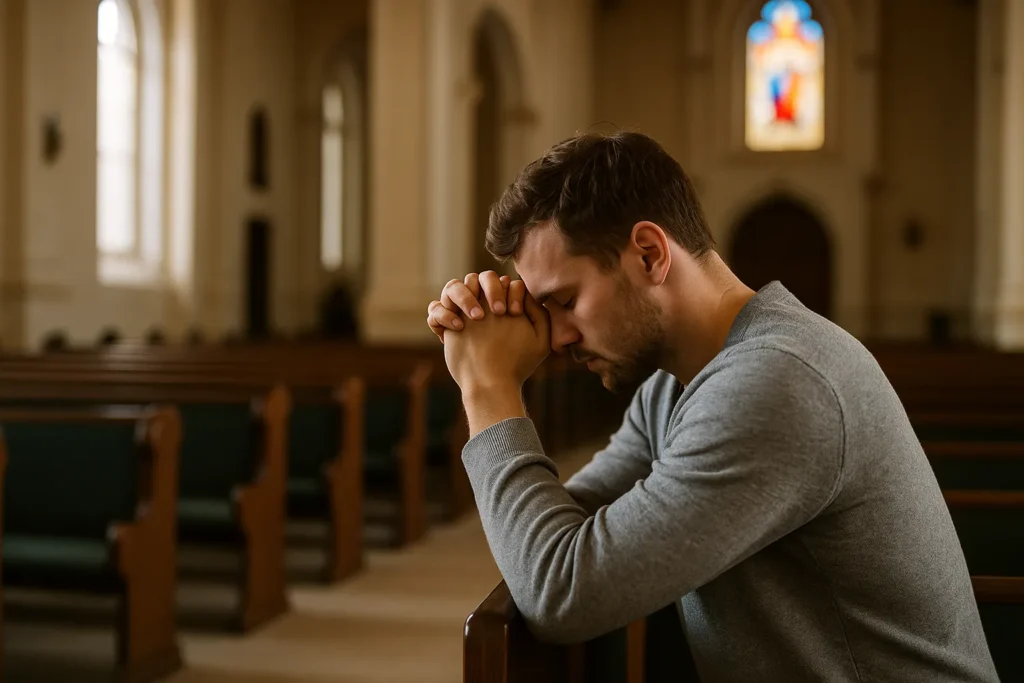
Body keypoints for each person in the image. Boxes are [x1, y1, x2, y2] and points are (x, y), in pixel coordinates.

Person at [425, 132, 997, 682]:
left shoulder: (778, 382)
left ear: (649, 254)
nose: (557, 338)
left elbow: (560, 591)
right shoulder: (671, 386)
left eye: (566, 301)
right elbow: (555, 543)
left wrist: (488, 389)